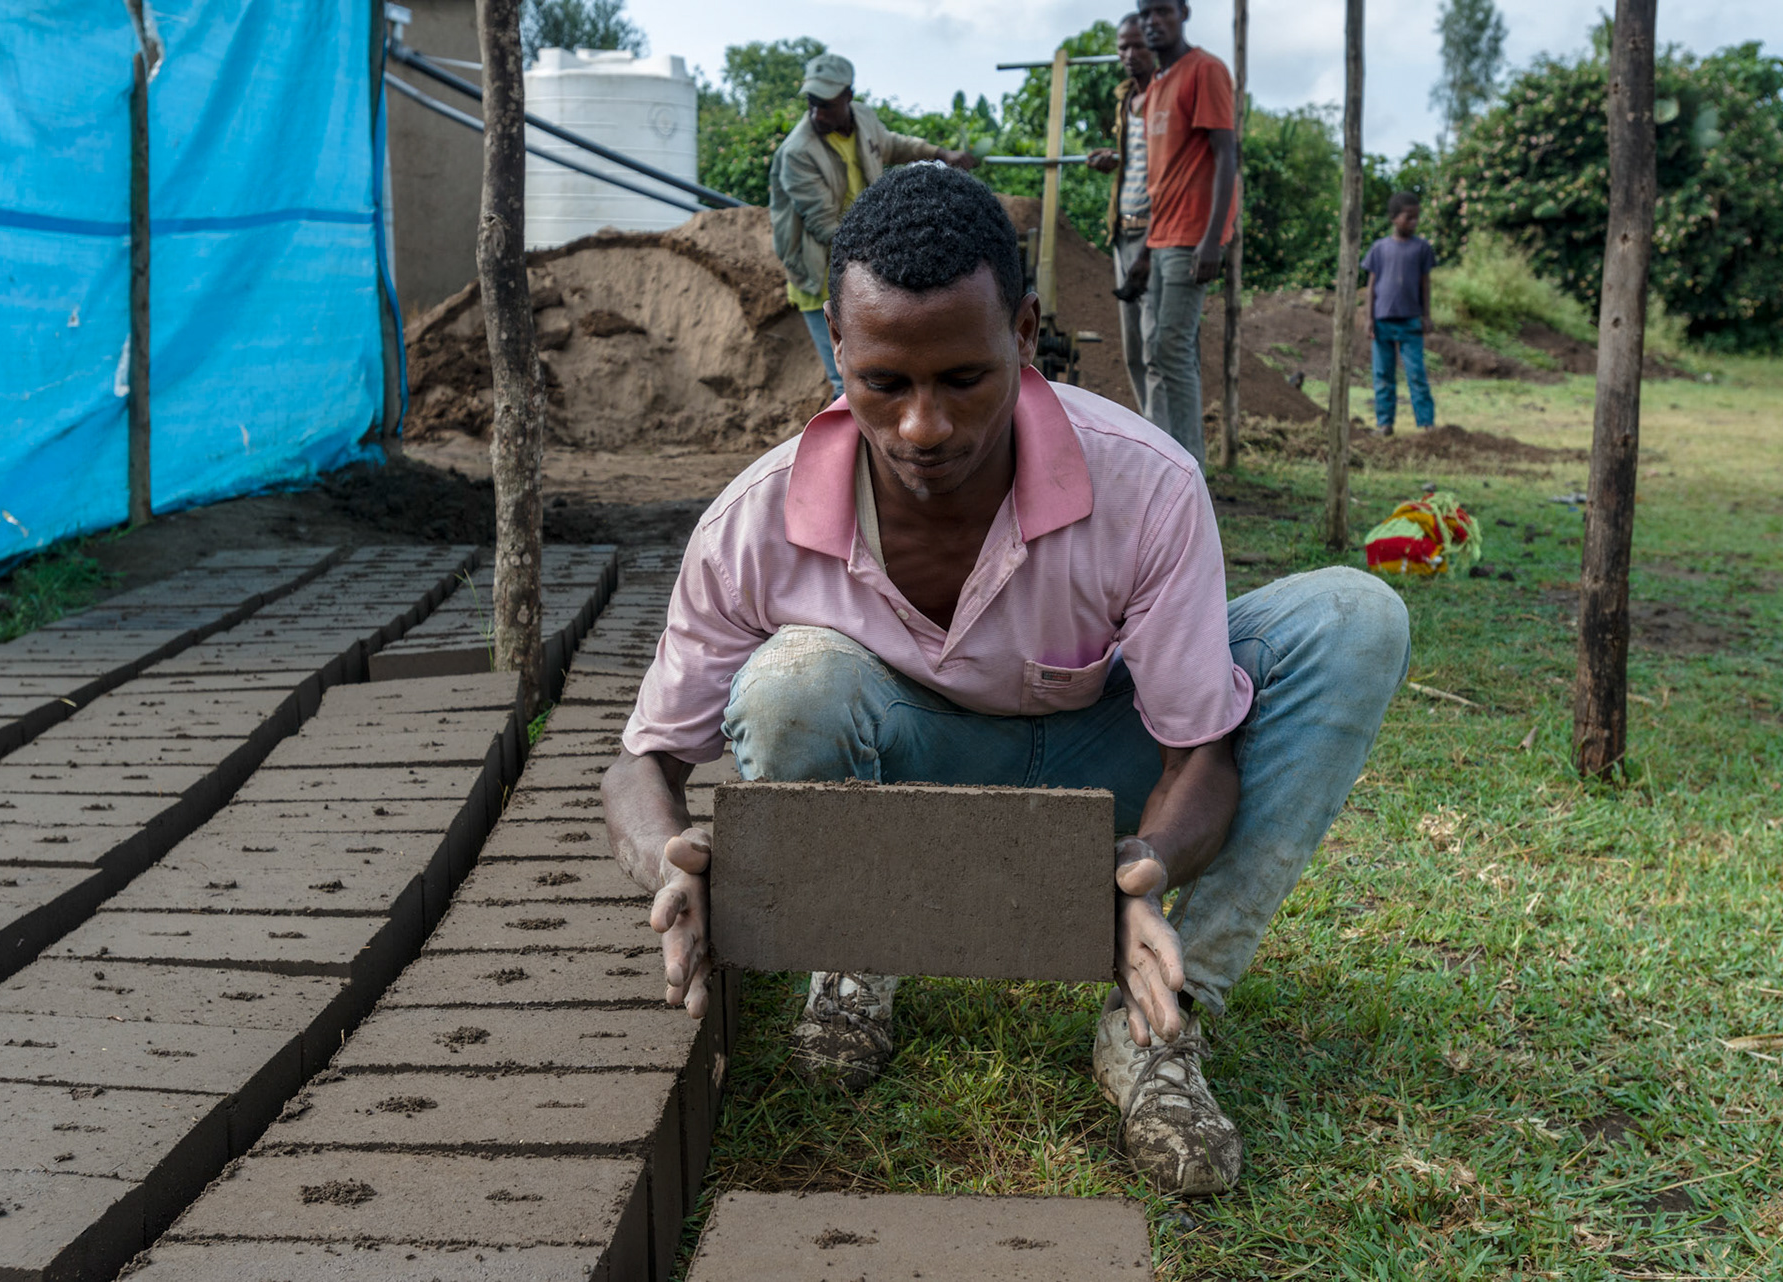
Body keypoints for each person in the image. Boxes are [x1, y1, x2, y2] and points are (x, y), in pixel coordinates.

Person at [602, 165, 1409, 1198]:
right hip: (907, 772)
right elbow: (642, 760)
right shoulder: (754, 522)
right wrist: (661, 862)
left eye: (963, 379)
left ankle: (1157, 1016)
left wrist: (1147, 866)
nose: (923, 428)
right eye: (884, 383)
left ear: (1025, 334)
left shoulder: (1144, 482)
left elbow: (1198, 753)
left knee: (1354, 617)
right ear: (836, 354)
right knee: (788, 679)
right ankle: (856, 950)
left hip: (1095, 766)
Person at [769, 52, 980, 399]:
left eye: (826, 104)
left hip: (862, 262)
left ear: (848, 96)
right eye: (811, 103)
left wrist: (942, 153)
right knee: (847, 379)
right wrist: (890, 249)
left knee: (878, 370)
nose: (816, 113)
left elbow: (893, 144)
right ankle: (853, 453)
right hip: (820, 271)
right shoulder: (798, 152)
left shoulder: (863, 117)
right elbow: (825, 227)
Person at [1119, 0, 1238, 471]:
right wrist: (1146, 251)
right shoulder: (1157, 86)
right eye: (1145, 13)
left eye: (1162, 11)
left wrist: (1214, 239)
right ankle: (1172, 461)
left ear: (1184, 13)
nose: (1152, 21)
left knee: (1172, 345)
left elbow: (1227, 155)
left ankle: (1190, 470)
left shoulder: (1205, 70)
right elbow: (1162, 180)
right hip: (1162, 235)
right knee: (1161, 349)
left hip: (1193, 236)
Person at [1084, 14, 1160, 415]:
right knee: (1134, 348)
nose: (1130, 55)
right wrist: (1115, 159)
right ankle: (1155, 434)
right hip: (1123, 229)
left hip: (1157, 232)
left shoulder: (1166, 98)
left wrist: (1150, 249)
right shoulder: (1126, 98)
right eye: (1123, 47)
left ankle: (1171, 451)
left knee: (1158, 349)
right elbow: (1140, 159)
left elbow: (1172, 172)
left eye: (1138, 46)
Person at [1364, 192, 1438, 437]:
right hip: (1382, 319)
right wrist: (1368, 318)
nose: (1414, 222)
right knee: (1382, 375)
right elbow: (1371, 285)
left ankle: (1427, 425)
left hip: (1410, 321)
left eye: (1417, 218)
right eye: (1409, 218)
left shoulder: (1422, 248)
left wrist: (1426, 315)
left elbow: (1425, 284)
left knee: (1416, 373)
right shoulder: (1379, 249)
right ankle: (1385, 424)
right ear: (1394, 218)